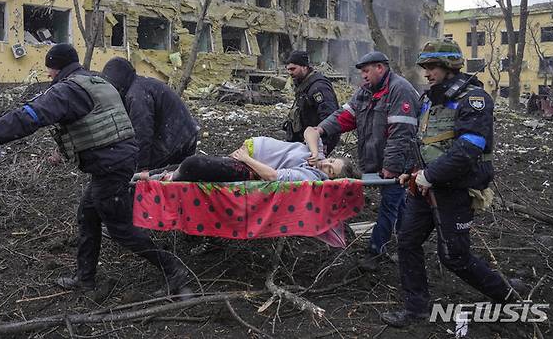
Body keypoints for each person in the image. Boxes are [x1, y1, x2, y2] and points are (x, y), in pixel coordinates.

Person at [0, 44, 190, 296]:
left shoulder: (67, 90)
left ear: (56, 68)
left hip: (110, 164)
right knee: (88, 215)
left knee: (120, 228)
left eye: (49, 70)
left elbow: (27, 117)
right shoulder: (94, 79)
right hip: (116, 160)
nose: (48, 75)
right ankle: (85, 279)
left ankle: (173, 269)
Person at [381, 39, 526, 327]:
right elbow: (422, 142)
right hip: (424, 188)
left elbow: (468, 149)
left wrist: (429, 175)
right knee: (407, 241)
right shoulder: (429, 99)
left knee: (454, 257)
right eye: (425, 67)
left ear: (449, 67)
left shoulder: (474, 100)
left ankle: (508, 297)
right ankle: (416, 309)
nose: (427, 72)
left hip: (454, 190)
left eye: (432, 66)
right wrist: (410, 170)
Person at [310, 50, 420, 271]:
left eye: (367, 71)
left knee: (389, 205)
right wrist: (320, 129)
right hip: (377, 162)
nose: (363, 76)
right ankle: (408, 242)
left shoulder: (400, 90)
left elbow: (401, 134)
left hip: (399, 164)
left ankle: (375, 251)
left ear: (380, 67)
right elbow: (345, 116)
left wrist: (391, 167)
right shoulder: (365, 92)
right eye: (361, 73)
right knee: (399, 205)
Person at [102, 57, 200, 172]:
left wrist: (141, 169)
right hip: (184, 134)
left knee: (147, 175)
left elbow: (142, 133)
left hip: (175, 139)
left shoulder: (136, 95)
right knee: (171, 178)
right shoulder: (140, 85)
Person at [170, 128, 356, 182]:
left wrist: (246, 158)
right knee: (192, 166)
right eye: (331, 161)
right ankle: (150, 174)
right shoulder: (319, 155)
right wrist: (315, 151)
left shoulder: (309, 175)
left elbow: (273, 176)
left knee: (193, 165)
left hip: (247, 164)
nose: (326, 164)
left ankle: (158, 178)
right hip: (247, 152)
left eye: (330, 170)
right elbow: (311, 131)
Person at [283, 50, 340, 155]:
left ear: (305, 67)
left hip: (317, 141)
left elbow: (329, 116)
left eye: (293, 69)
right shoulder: (303, 85)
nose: (290, 72)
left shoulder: (319, 87)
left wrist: (324, 143)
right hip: (305, 141)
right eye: (288, 69)